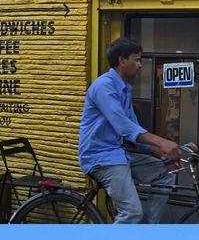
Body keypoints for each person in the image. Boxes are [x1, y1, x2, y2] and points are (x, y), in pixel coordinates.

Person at [78, 37, 182, 224]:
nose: (140, 65)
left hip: (118, 154)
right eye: (136, 59)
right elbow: (124, 127)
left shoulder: (124, 88)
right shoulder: (104, 86)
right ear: (121, 60)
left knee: (167, 172)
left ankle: (146, 227)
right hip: (100, 157)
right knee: (132, 212)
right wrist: (163, 143)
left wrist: (162, 154)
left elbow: (135, 133)